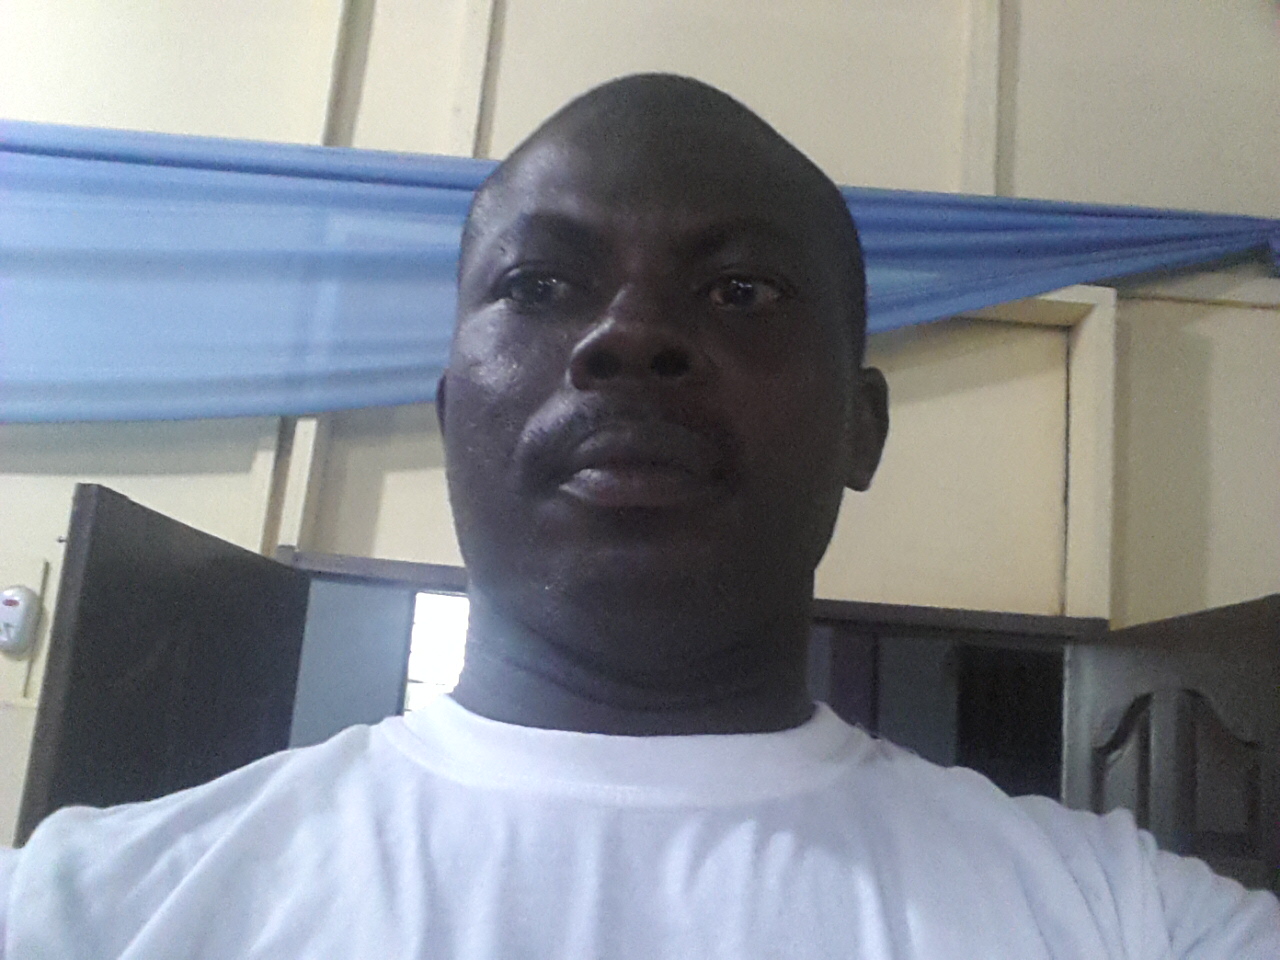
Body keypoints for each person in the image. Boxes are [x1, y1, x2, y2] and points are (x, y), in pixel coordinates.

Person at [1, 74, 1277, 958]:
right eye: (539, 283)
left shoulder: (1124, 924)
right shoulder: (93, 909)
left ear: (861, 429)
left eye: (739, 289)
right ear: (449, 415)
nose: (627, 336)